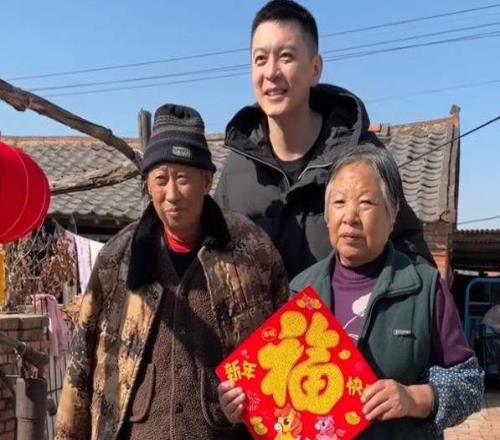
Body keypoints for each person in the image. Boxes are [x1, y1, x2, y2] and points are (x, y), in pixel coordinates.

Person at [56, 104, 289, 440]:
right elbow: (80, 362)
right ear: (148, 184)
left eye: (183, 178)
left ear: (207, 180)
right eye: (160, 179)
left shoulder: (251, 250)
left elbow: (285, 350)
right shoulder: (117, 257)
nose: (172, 194)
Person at [219, 143, 483, 439]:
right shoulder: (302, 289)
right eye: (339, 202)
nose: (350, 217)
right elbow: (283, 394)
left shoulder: (424, 287)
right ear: (327, 216)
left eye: (366, 203)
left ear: (392, 214)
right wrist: (243, 404)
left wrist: (415, 398)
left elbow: (469, 384)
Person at [214, 0, 433, 278]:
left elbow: (412, 258)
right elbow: (214, 258)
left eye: (285, 57)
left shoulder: (362, 158)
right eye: (260, 59)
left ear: (315, 69)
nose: (270, 72)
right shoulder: (237, 169)